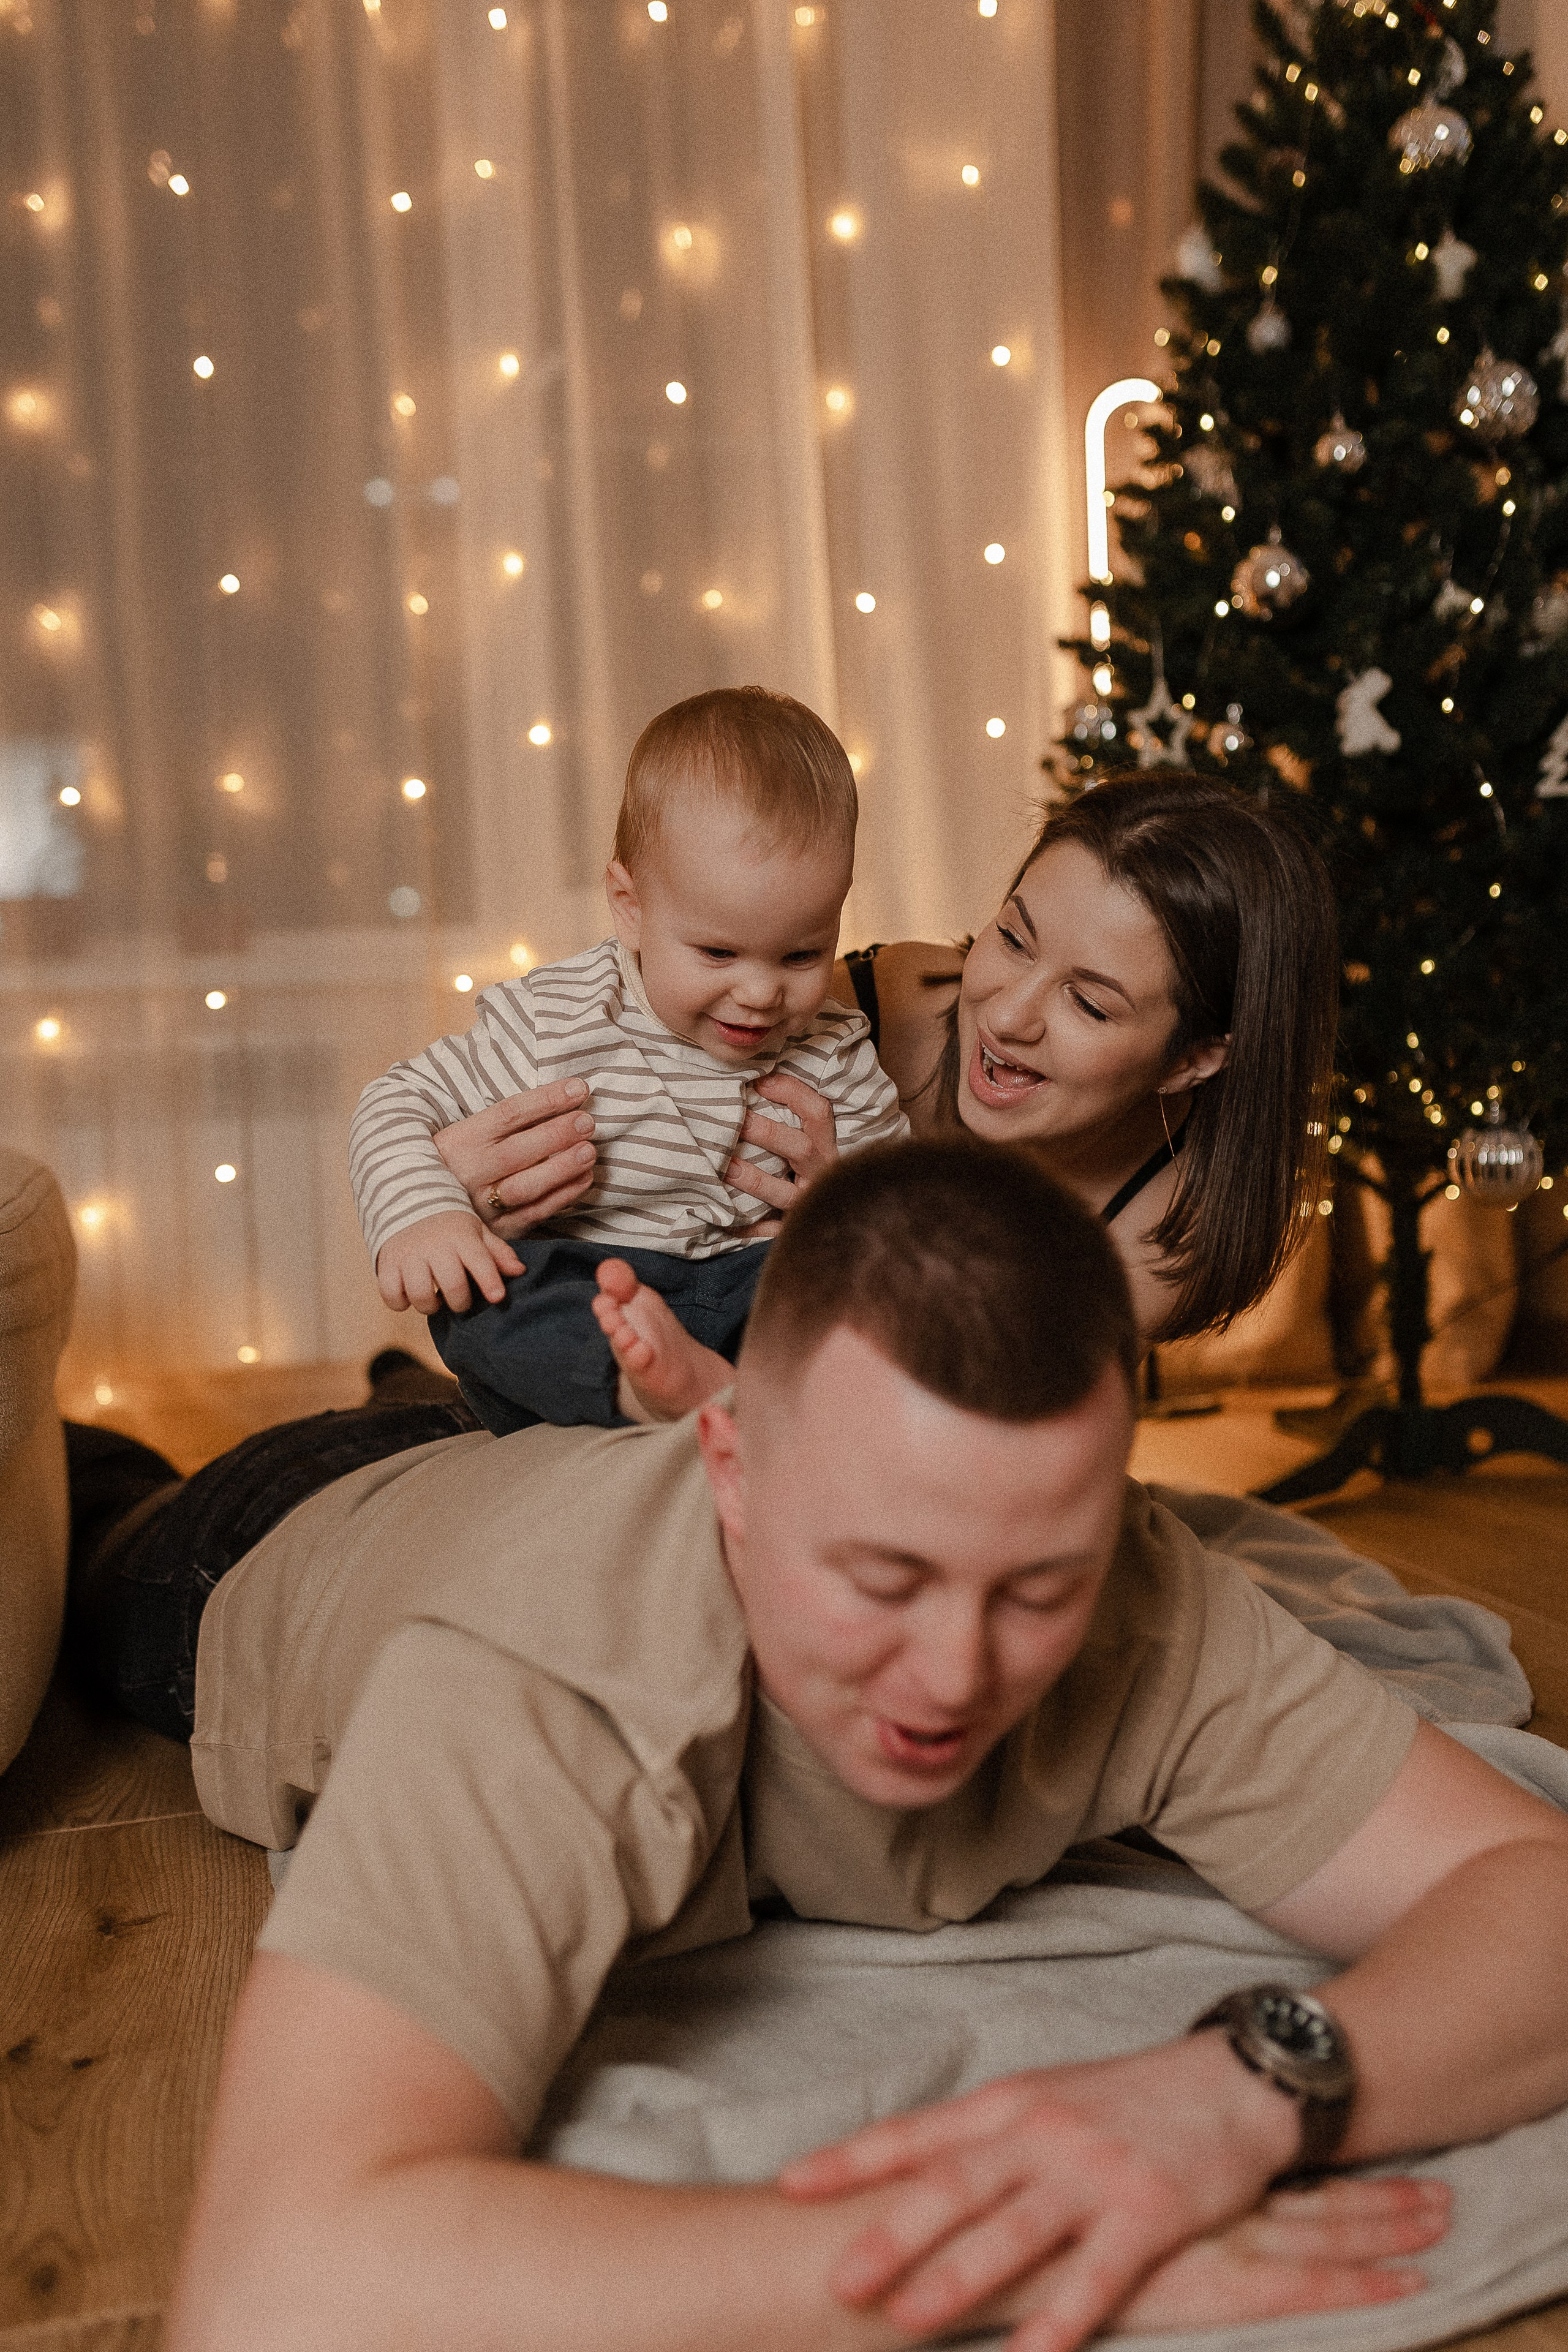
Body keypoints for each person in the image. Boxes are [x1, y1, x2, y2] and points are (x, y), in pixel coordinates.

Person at [64, 1142, 1568, 2351]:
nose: (954, 1671)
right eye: (883, 1575)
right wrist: (1019, 2259)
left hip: (523, 1465)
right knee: (87, 1504)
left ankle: (434, 1409)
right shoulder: (543, 1677)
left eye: (1034, 1584)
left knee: (465, 1427)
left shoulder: (1138, 1582)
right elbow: (282, 2289)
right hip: (262, 1542)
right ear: (727, 1459)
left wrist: (1241, 2092)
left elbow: (1532, 1890)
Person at [431, 769, 1338, 1415]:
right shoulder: (880, 1003)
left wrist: (855, 1225)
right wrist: (462, 1177)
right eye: (1013, 939)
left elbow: (972, 1411)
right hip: (629, 1320)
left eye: (1090, 1003)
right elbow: (634, 1029)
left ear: (1195, 1059)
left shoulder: (1161, 1227)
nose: (1008, 1015)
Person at [350, 685, 906, 1434]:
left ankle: (740, 1391)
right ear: (630, 906)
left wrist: (844, 1212)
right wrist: (425, 1214)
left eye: (802, 954)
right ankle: (635, 1388)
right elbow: (395, 1099)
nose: (760, 993)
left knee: (862, 1293)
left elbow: (907, 1213)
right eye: (717, 951)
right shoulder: (558, 1020)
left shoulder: (834, 1050)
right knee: (485, 1295)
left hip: (752, 1290)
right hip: (597, 1287)